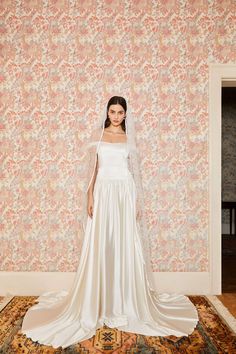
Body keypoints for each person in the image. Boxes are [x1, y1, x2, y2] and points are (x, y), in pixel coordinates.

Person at [21, 96, 199, 349]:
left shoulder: (130, 139)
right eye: (112, 111)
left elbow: (134, 173)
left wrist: (136, 201)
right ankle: (98, 300)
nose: (116, 116)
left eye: (120, 112)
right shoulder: (99, 136)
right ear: (107, 113)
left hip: (124, 193)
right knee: (101, 244)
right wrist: (90, 195)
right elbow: (93, 170)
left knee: (124, 244)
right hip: (103, 193)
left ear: (126, 115)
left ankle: (124, 301)